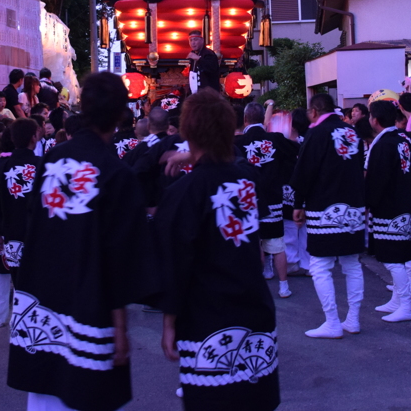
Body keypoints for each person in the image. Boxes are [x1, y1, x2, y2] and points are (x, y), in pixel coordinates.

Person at [7, 72, 157, 411]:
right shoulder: (117, 174)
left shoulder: (51, 161)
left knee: (45, 394)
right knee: (88, 395)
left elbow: (35, 223)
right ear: (121, 116)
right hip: (89, 303)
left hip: (41, 299)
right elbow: (122, 259)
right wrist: (119, 327)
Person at [154, 89, 280, 410]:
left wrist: (169, 323)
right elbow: (234, 161)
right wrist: (199, 154)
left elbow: (174, 263)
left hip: (206, 318)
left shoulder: (183, 192)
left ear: (186, 132)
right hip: (255, 310)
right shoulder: (247, 180)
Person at [289, 93, 366, 339]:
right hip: (353, 205)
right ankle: (353, 319)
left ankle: (332, 321)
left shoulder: (317, 133)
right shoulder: (352, 132)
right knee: (352, 263)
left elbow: (304, 171)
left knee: (320, 264)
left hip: (324, 206)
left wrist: (298, 202)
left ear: (314, 112)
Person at [367, 100, 411, 323]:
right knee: (402, 253)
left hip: (391, 206)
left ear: (375, 120)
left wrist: (368, 201)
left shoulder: (384, 144)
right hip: (408, 203)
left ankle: (406, 305)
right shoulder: (404, 139)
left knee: (393, 257)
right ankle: (397, 300)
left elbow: (377, 178)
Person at [235, 102, 297, 299]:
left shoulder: (237, 142)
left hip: (247, 201)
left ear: (245, 120)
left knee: (251, 245)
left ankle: (254, 286)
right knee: (277, 244)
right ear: (263, 119)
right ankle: (284, 286)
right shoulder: (276, 139)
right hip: (273, 199)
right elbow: (296, 153)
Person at [0, 118, 42, 328]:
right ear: (34, 137)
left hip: (4, 233)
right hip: (36, 235)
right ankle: (27, 323)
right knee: (32, 282)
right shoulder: (43, 166)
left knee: (1, 275)